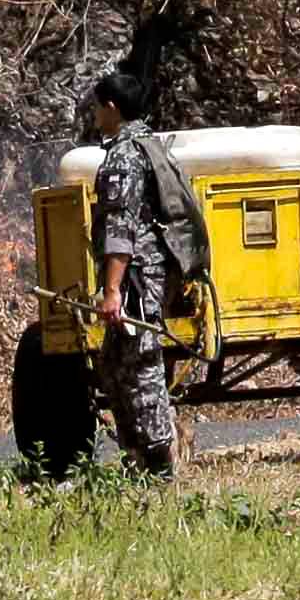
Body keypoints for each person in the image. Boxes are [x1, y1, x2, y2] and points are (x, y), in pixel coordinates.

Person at [76, 71, 190, 475]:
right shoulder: (150, 145)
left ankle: (158, 463)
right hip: (147, 273)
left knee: (140, 364)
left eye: (96, 106)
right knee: (113, 363)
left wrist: (112, 290)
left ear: (112, 107)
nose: (93, 113)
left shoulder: (123, 157)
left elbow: (120, 230)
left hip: (137, 277)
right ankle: (137, 457)